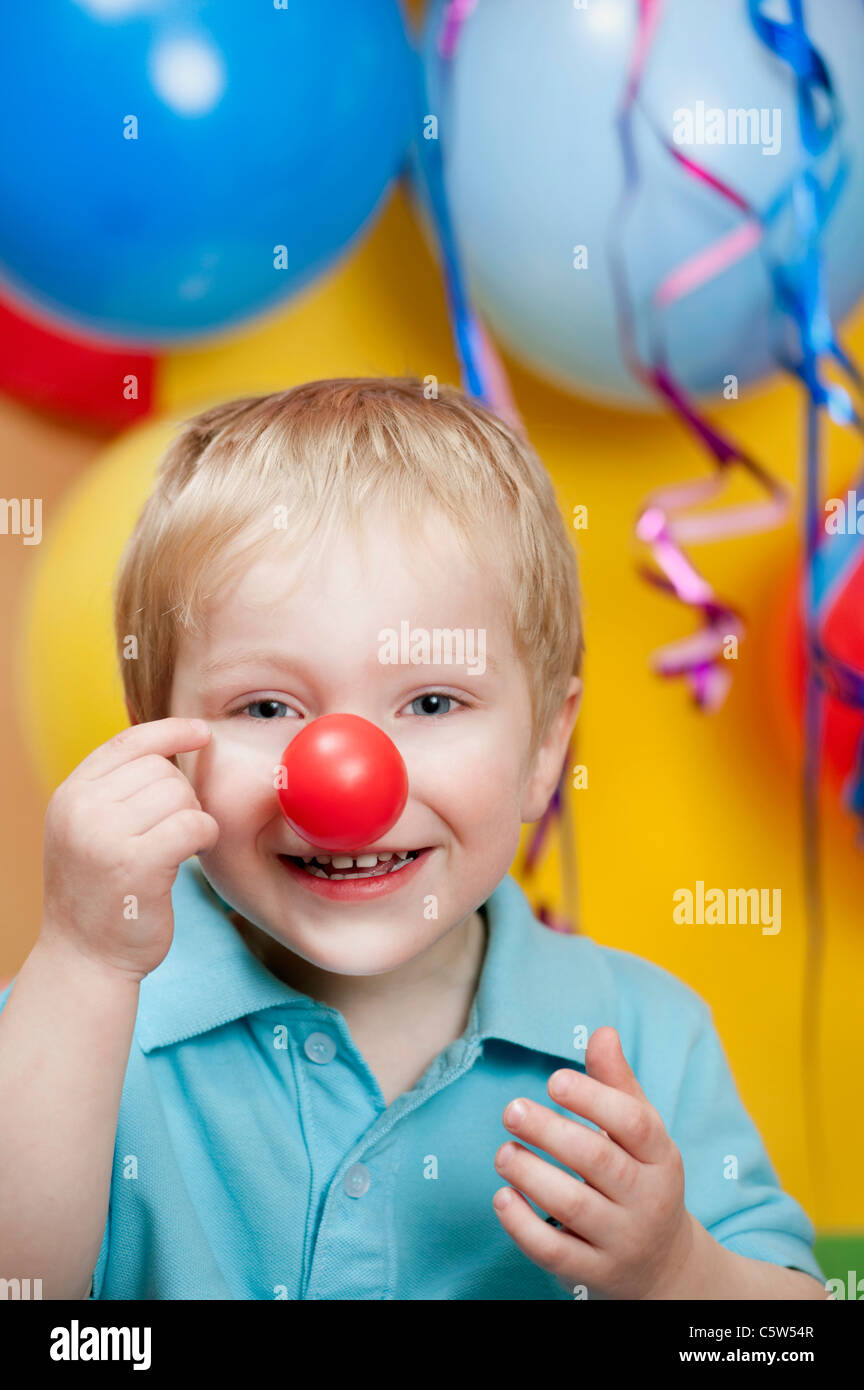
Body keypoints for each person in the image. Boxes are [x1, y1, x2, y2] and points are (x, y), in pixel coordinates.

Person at [0, 378, 827, 1299]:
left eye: (432, 701)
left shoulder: (642, 1034)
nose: (347, 778)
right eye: (266, 705)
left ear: (546, 747)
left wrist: (678, 1271)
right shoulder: (77, 1022)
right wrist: (80, 959)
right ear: (160, 742)